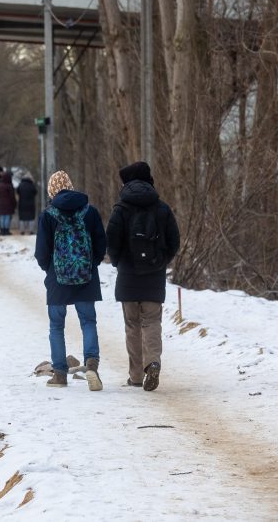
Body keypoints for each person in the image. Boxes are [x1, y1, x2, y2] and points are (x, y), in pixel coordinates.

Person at [106, 161, 180, 392]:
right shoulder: (162, 208)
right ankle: (153, 362)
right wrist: (161, 262)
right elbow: (174, 241)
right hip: (154, 276)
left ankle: (136, 375)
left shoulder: (121, 209)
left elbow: (112, 241)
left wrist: (120, 263)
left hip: (128, 275)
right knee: (151, 322)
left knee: (132, 325)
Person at [35, 171, 106, 391]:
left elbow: (41, 253)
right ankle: (92, 364)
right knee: (88, 322)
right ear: (71, 186)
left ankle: (59, 374)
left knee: (57, 326)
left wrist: (52, 270)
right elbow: (101, 245)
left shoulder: (48, 216)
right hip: (86, 277)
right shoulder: (90, 212)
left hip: (57, 280)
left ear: (51, 191)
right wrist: (89, 266)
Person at [0, 170, 17, 235]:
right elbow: (12, 196)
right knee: (7, 217)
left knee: (2, 217)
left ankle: (2, 230)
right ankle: (6, 230)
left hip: (1, 203)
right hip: (8, 204)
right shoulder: (9, 186)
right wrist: (14, 203)